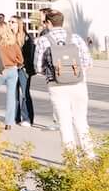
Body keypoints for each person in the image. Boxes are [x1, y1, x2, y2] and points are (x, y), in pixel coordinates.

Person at [37, 8, 94, 151]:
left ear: (48, 23)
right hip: (78, 84)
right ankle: (90, 154)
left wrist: (53, 73)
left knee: (64, 123)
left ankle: (71, 158)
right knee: (81, 121)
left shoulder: (43, 40)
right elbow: (88, 63)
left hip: (56, 85)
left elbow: (38, 67)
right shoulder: (76, 38)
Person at [0, 13, 23, 125]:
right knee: (11, 96)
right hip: (12, 70)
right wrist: (16, 64)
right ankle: (9, 122)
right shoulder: (13, 43)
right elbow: (20, 59)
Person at [14, 21, 39, 128]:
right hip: (13, 68)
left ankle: (27, 118)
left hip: (23, 69)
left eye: (13, 22)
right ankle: (15, 117)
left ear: (19, 24)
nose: (10, 24)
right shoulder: (10, 38)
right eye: (9, 22)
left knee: (25, 93)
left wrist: (24, 67)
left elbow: (30, 54)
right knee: (14, 94)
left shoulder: (27, 38)